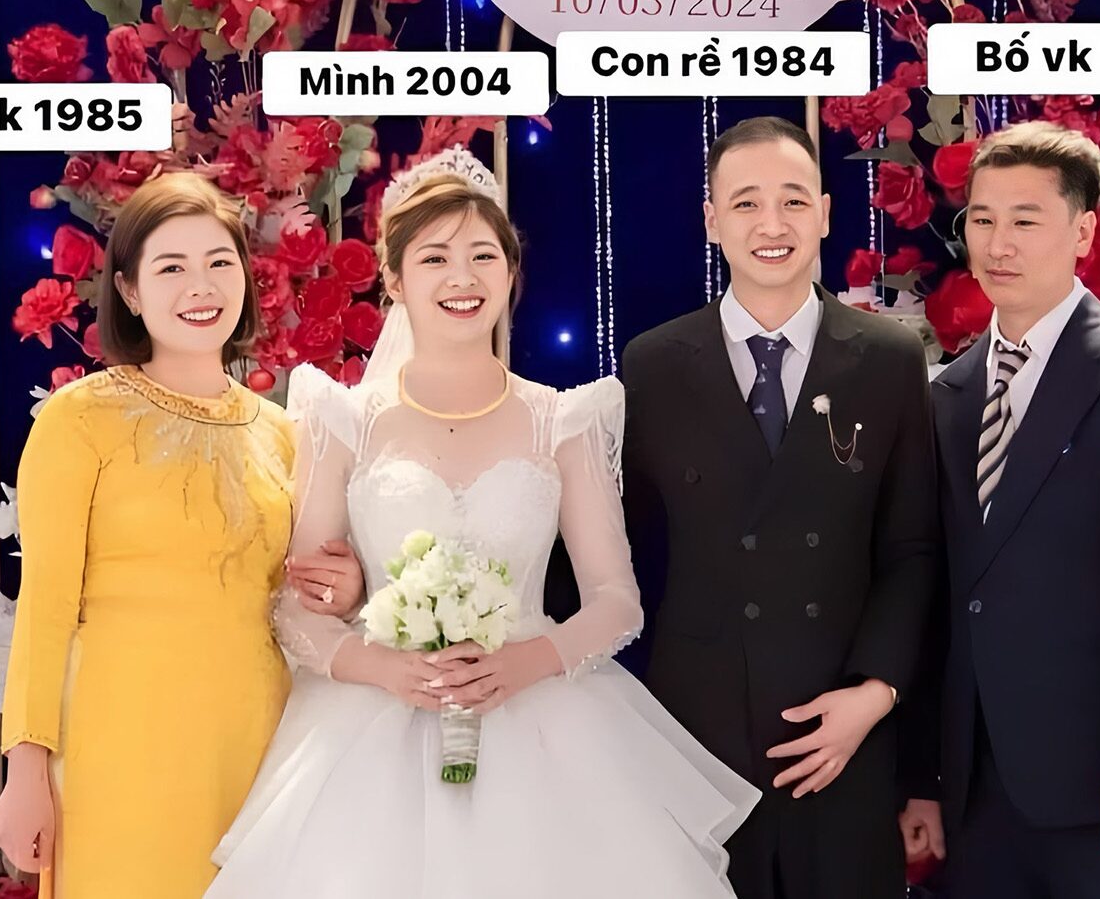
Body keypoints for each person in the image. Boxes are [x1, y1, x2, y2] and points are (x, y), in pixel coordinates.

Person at [205, 147, 759, 898]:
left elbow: (616, 601)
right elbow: (298, 610)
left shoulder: (565, 420)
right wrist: (388, 668)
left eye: (482, 256)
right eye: (434, 258)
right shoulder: (344, 419)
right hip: (372, 728)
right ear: (394, 279)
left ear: (510, 270)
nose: (461, 278)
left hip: (540, 719)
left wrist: (527, 661)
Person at [0, 172, 359, 896]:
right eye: (171, 268)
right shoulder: (78, 419)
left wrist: (344, 588)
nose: (201, 287)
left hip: (260, 746)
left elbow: (295, 599)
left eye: (220, 262)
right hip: (120, 750)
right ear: (129, 291)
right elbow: (45, 606)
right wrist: (25, 769)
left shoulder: (284, 433)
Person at [620, 116, 941, 899]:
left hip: (843, 731)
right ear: (711, 220)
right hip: (697, 737)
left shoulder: (890, 358)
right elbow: (619, 550)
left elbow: (913, 550)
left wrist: (875, 695)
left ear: (825, 213)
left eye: (794, 201)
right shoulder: (654, 364)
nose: (772, 225)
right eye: (746, 203)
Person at [913, 121, 1100, 898]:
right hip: (976, 790)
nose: (998, 244)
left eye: (1025, 220)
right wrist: (924, 776)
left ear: (1083, 232)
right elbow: (940, 596)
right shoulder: (946, 394)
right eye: (982, 220)